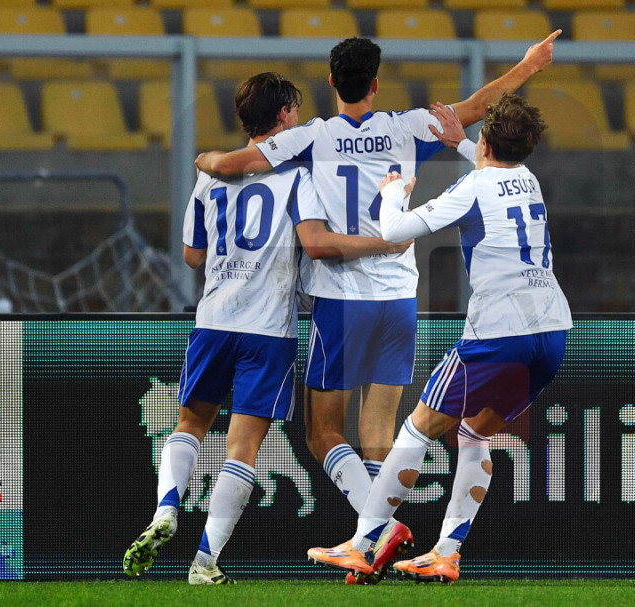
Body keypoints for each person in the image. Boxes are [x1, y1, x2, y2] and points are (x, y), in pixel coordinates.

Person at [193, 33, 561, 583]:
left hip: (342, 298)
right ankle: (384, 541)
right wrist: (529, 65)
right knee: (381, 430)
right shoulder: (408, 127)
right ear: (376, 84)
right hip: (399, 298)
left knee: (323, 433)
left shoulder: (313, 136)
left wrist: (206, 158)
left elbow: (233, 164)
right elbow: (478, 109)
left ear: (331, 82)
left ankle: (374, 535)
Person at [122, 72, 406, 585]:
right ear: (282, 115)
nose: (298, 118)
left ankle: (166, 509)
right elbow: (316, 241)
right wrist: (386, 242)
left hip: (213, 320)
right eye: (294, 110)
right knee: (243, 448)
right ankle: (204, 561)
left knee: (189, 425)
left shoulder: (210, 176)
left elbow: (192, 255)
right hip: (269, 330)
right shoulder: (297, 176)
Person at [307, 93, 572, 583]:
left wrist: (393, 191)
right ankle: (445, 553)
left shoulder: (472, 186)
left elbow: (394, 231)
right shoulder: (529, 180)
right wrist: (460, 143)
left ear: (486, 142)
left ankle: (362, 545)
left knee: (417, 429)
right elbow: (496, 169)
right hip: (552, 332)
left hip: (498, 333)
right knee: (474, 432)